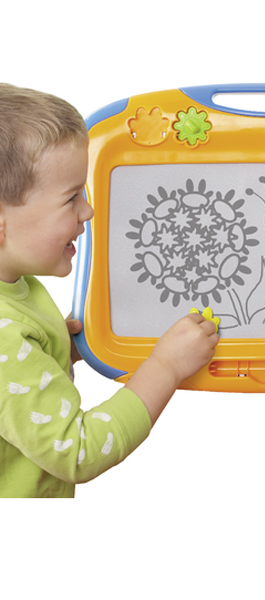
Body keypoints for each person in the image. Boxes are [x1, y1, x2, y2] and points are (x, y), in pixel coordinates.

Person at [0, 84, 219, 498]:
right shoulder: (4, 338)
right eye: (70, 199)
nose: (89, 210)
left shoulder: (13, 291)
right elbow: (77, 451)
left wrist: (59, 348)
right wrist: (165, 367)